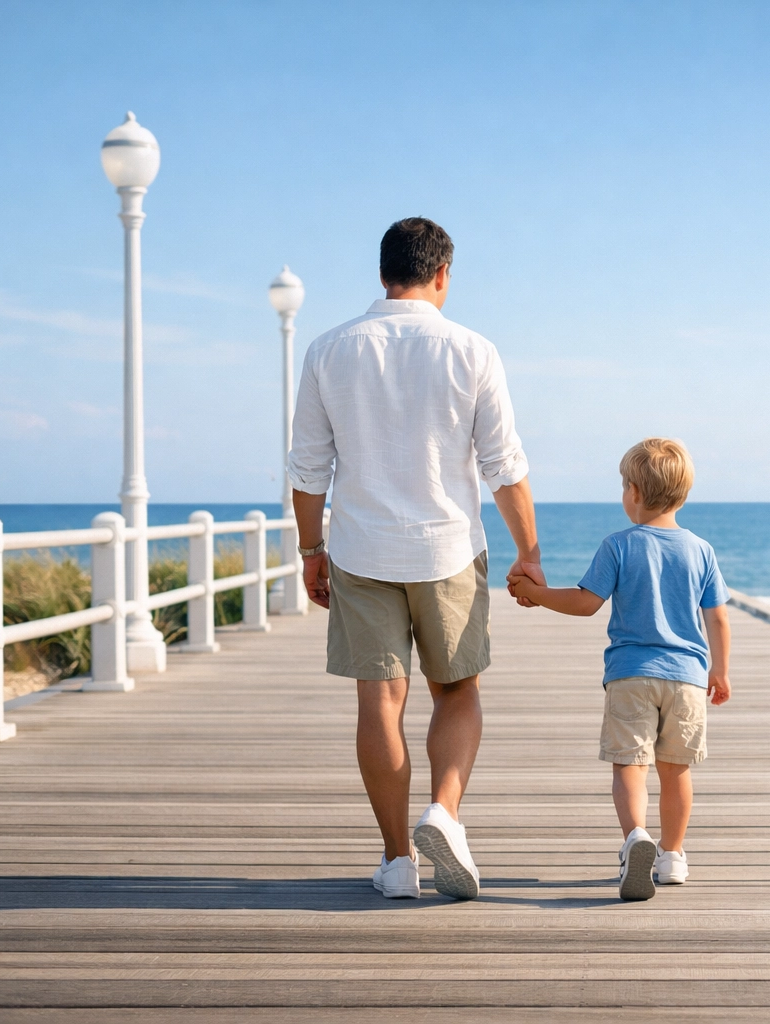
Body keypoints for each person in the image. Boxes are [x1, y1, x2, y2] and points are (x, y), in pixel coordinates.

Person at [287, 217, 544, 901]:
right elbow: (504, 468)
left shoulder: (327, 350)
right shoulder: (473, 350)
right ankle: (445, 812)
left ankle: (398, 861)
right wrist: (530, 552)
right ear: (443, 275)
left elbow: (309, 471)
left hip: (360, 548)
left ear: (382, 274)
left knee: (380, 701)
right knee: (457, 691)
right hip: (449, 548)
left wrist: (311, 550)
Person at [506, 438, 731, 901]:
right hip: (687, 677)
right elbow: (718, 616)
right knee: (676, 771)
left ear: (632, 492)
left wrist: (536, 593)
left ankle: (635, 839)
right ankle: (671, 855)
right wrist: (720, 671)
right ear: (683, 495)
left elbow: (586, 603)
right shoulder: (700, 550)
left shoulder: (618, 546)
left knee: (630, 766)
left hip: (631, 674)